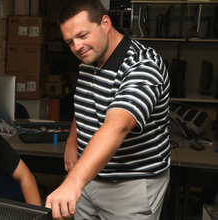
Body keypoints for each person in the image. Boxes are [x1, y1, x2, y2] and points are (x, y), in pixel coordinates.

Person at [45, 0, 171, 219]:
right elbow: (87, 101)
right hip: (88, 177)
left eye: (83, 36)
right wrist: (72, 140)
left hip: (129, 184)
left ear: (105, 23)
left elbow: (117, 125)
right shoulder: (89, 56)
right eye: (70, 41)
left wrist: (73, 182)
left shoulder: (143, 66)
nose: (77, 47)